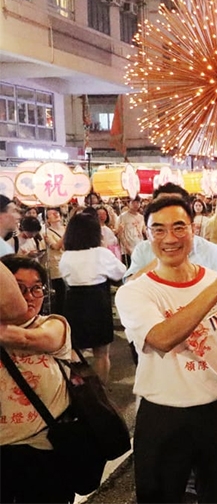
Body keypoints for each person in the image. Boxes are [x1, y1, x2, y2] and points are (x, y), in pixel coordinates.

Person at [114, 195, 217, 503]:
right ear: (148, 234)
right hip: (164, 416)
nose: (170, 238)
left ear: (194, 229)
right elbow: (162, 338)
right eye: (159, 229)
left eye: (179, 227)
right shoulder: (135, 293)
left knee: (216, 495)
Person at [0, 255, 75, 503]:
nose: (30, 296)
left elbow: (28, 340)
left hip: (43, 450)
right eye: (19, 288)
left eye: (36, 288)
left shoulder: (54, 325)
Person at [59, 212, 126, 384]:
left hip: (73, 302)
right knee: (101, 354)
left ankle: (78, 390)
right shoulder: (101, 253)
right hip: (97, 302)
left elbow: (66, 278)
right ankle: (100, 391)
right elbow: (120, 272)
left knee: (74, 349)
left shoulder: (66, 255)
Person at [124, 184, 217, 282]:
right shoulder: (143, 250)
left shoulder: (210, 252)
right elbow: (128, 288)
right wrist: (162, 259)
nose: (170, 239)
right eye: (161, 205)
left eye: (178, 228)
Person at [42, 207, 67, 316]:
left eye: (56, 212)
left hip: (68, 263)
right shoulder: (47, 233)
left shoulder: (65, 229)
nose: (55, 214)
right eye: (51, 214)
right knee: (61, 294)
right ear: (48, 220)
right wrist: (67, 235)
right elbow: (56, 246)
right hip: (56, 266)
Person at [117, 197, 146, 267]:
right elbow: (120, 234)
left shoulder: (141, 217)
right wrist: (127, 247)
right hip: (128, 248)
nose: (136, 204)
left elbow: (144, 231)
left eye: (138, 202)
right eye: (133, 202)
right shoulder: (122, 217)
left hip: (139, 246)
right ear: (128, 203)